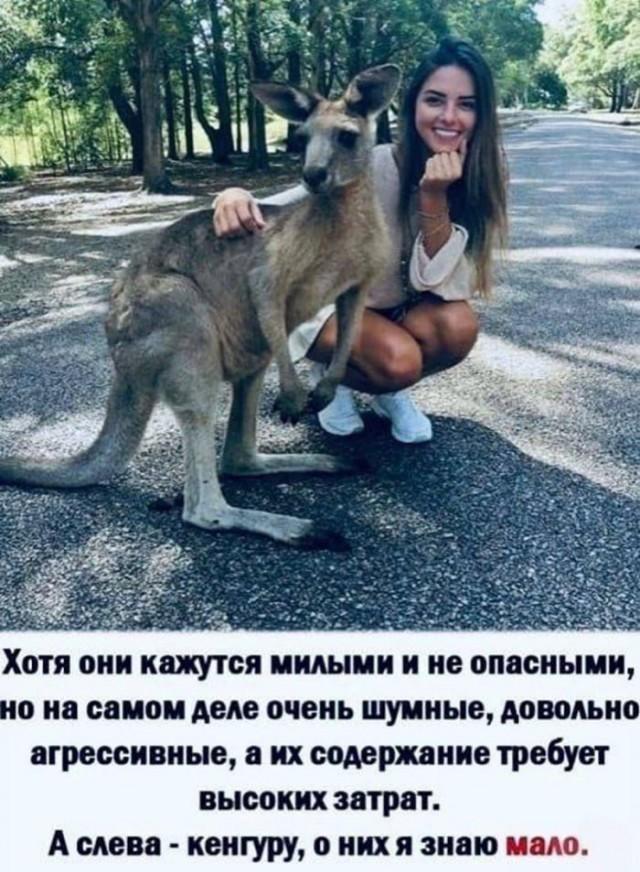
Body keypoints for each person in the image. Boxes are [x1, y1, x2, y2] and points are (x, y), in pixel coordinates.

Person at [213, 37, 507, 442]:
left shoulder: (476, 178)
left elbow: (440, 283)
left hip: (389, 307)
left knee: (456, 327)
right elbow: (287, 202)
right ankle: (337, 377)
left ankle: (384, 388)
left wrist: (434, 197)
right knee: (398, 361)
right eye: (435, 100)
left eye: (467, 104)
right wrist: (232, 195)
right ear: (413, 106)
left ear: (482, 114)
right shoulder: (374, 161)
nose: (449, 116)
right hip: (327, 305)